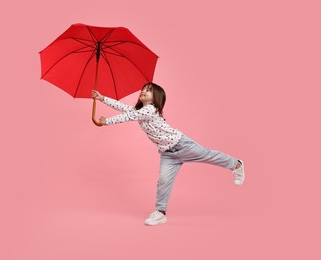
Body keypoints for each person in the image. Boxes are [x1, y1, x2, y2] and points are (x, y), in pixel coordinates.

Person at [91, 82, 245, 226]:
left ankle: (236, 165)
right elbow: (125, 108)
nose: (143, 91)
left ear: (156, 97)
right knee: (164, 181)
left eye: (149, 90)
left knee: (209, 155)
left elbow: (128, 116)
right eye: (143, 89)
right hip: (168, 154)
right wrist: (102, 98)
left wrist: (107, 121)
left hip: (182, 145)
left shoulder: (150, 109)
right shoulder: (140, 111)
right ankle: (160, 212)